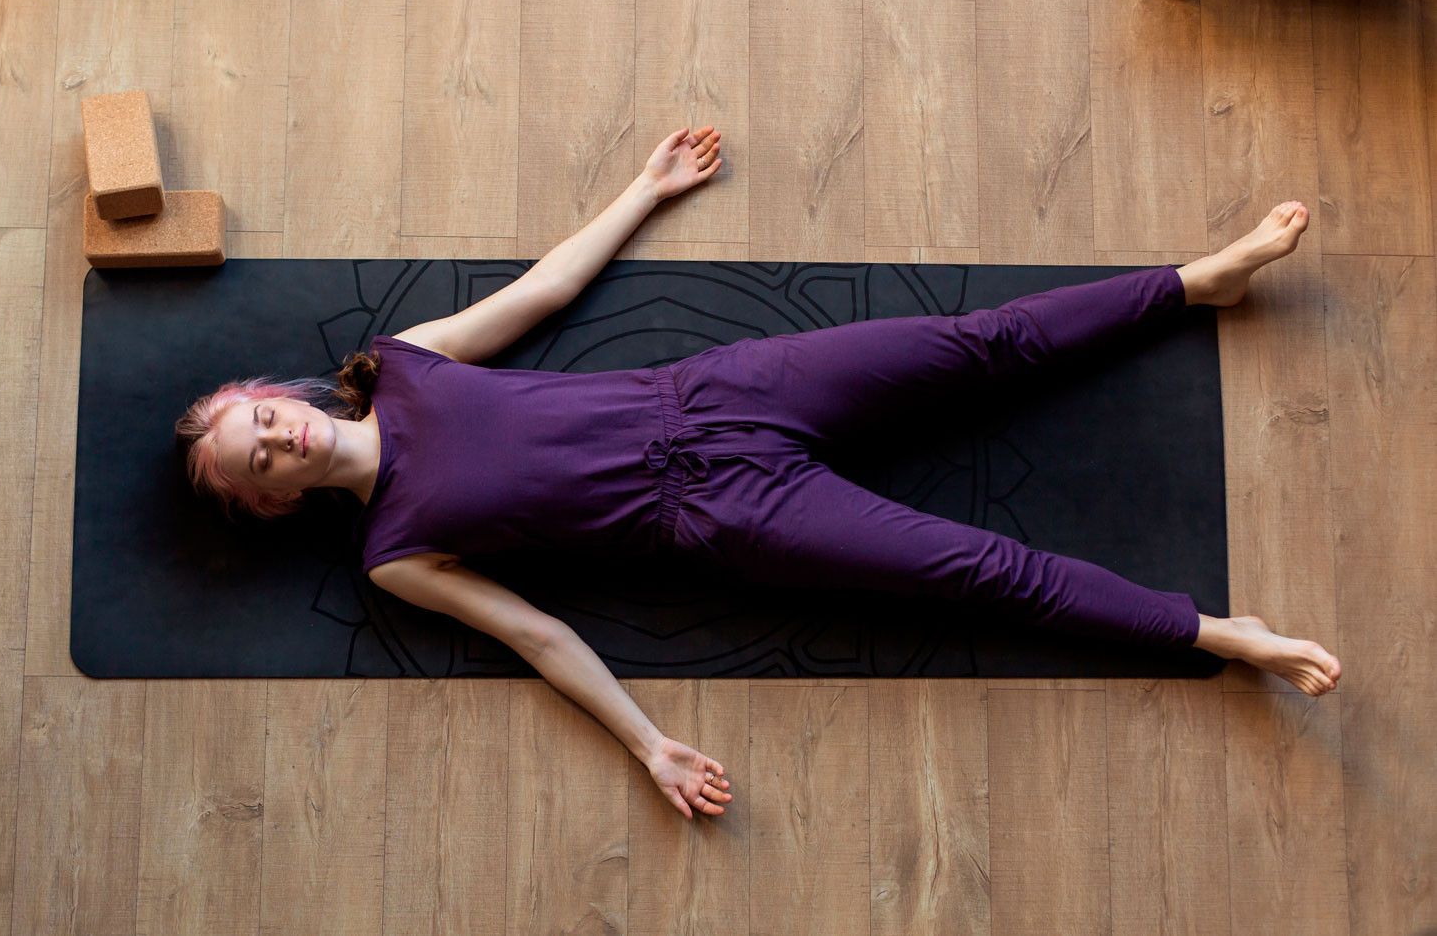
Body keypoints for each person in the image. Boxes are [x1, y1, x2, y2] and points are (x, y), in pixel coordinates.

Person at [175, 125, 1340, 822]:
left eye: (264, 419)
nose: (277, 440)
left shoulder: (406, 364)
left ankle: (1196, 281)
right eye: (259, 461)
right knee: (984, 573)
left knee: (981, 344)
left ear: (285, 395)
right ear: (273, 498)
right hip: (728, 515)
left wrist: (642, 190)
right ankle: (1216, 633)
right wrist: (647, 742)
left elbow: (538, 296)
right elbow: (536, 634)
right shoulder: (395, 555)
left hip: (720, 393)